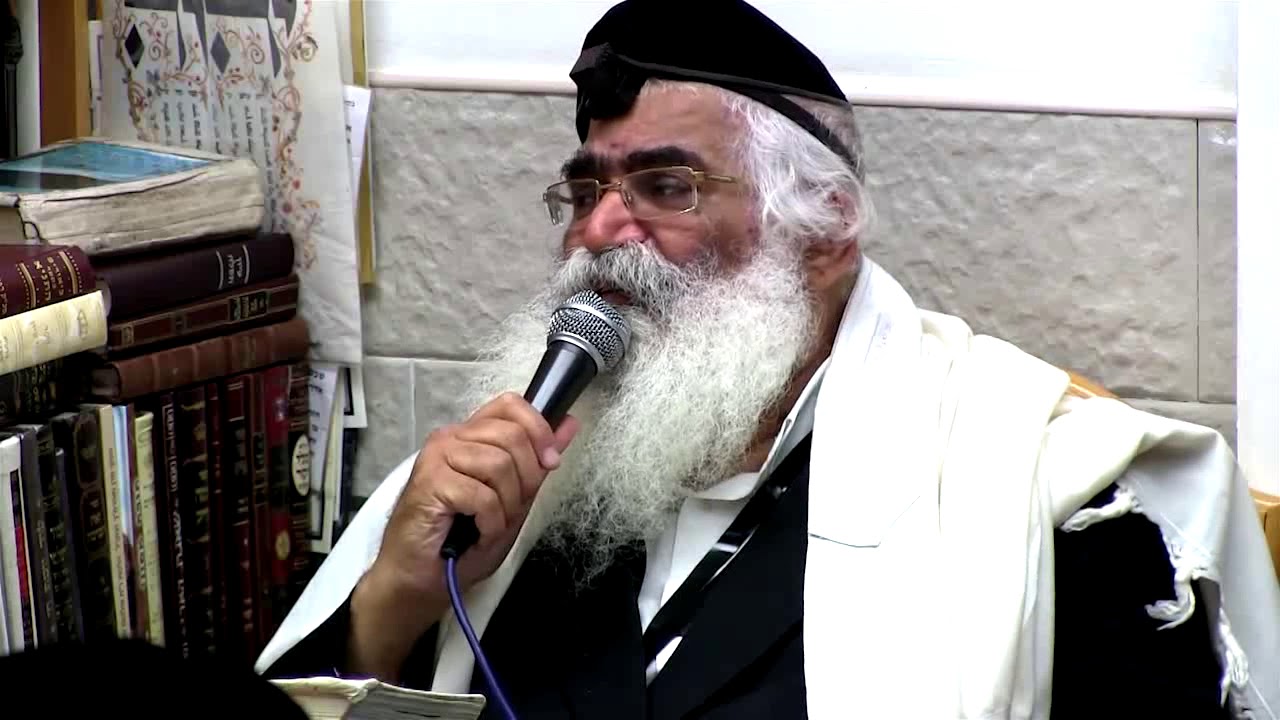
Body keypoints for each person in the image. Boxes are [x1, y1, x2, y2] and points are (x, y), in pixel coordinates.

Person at [258, 1, 1280, 718]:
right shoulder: (497, 490)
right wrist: (393, 599)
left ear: (824, 230)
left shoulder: (1054, 503)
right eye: (586, 191)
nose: (599, 231)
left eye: (666, 187)